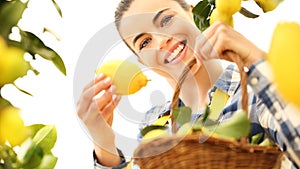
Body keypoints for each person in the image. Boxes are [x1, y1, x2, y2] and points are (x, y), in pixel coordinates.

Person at [76, 0, 300, 168]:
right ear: (142, 61)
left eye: (166, 20)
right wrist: (103, 142)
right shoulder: (155, 127)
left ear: (193, 14)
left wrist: (255, 58)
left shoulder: (255, 92)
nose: (161, 40)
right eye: (145, 42)